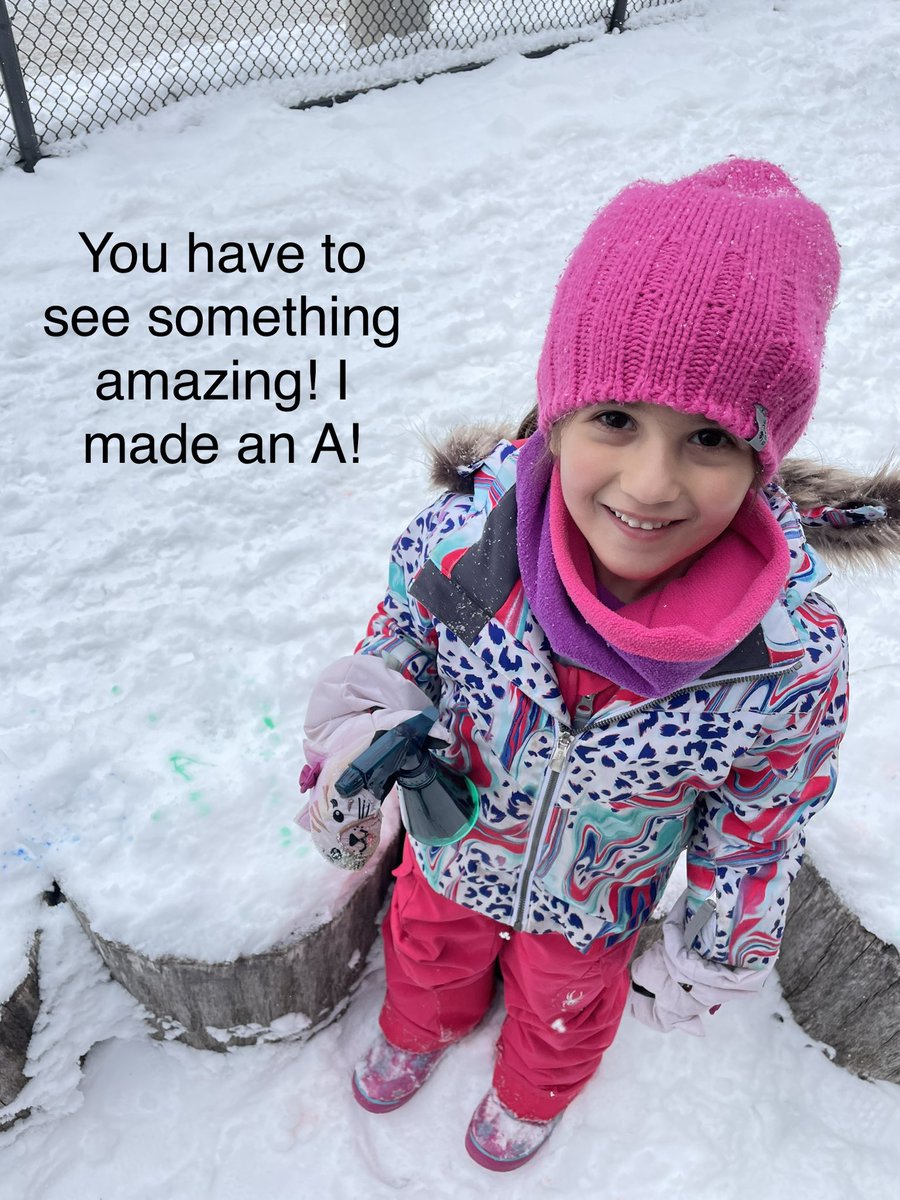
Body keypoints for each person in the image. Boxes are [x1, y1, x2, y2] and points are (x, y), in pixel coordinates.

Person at [297, 159, 890, 1172]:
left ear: (763, 458)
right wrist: (362, 727)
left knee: (564, 1008)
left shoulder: (782, 659)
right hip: (452, 844)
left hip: (595, 903)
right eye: (616, 419)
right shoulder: (475, 549)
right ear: (559, 413)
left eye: (709, 438)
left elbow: (761, 820)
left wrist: (722, 942)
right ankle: (420, 1025)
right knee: (426, 948)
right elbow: (405, 637)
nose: (650, 484)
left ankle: (532, 1092)